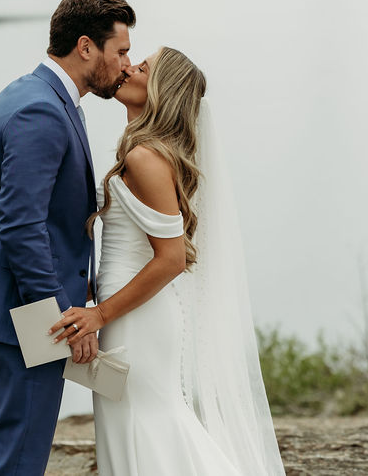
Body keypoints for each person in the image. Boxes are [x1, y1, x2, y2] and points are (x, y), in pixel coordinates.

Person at [51, 47, 285, 475]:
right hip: (128, 309)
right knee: (131, 425)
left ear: (160, 91)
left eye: (143, 67)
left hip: (134, 318)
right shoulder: (143, 151)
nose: (129, 67)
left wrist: (99, 314)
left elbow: (172, 259)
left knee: (150, 427)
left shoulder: (145, 158)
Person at [0, 0, 135, 475]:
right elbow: (20, 225)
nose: (127, 64)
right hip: (23, 320)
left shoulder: (28, 93)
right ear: (86, 47)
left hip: (2, 307)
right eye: (122, 50)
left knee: (11, 451)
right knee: (18, 462)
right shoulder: (41, 112)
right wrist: (62, 320)